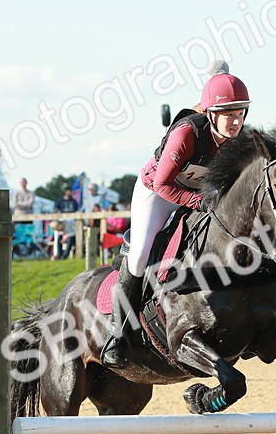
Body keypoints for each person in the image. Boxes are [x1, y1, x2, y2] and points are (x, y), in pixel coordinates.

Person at [100, 62, 250, 368]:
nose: (236, 122)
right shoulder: (186, 133)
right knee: (141, 253)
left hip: (196, 196)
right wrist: (197, 201)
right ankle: (117, 334)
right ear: (211, 115)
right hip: (156, 193)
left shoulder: (238, 141)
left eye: (240, 114)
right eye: (229, 115)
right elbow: (162, 183)